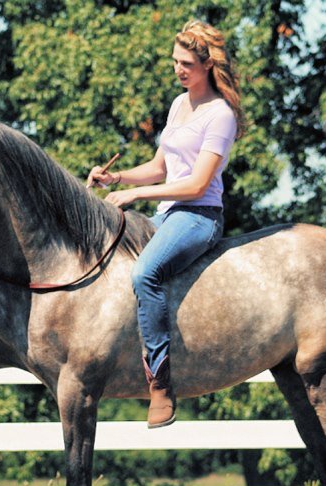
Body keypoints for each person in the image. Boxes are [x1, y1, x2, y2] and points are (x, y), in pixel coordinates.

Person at [86, 20, 244, 429]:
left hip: (197, 217)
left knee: (145, 273)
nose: (179, 70)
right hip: (167, 213)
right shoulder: (179, 105)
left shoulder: (220, 115)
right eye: (175, 61)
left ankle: (160, 384)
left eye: (187, 63)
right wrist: (117, 178)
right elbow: (159, 167)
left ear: (208, 65)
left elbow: (195, 184)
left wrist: (136, 196)